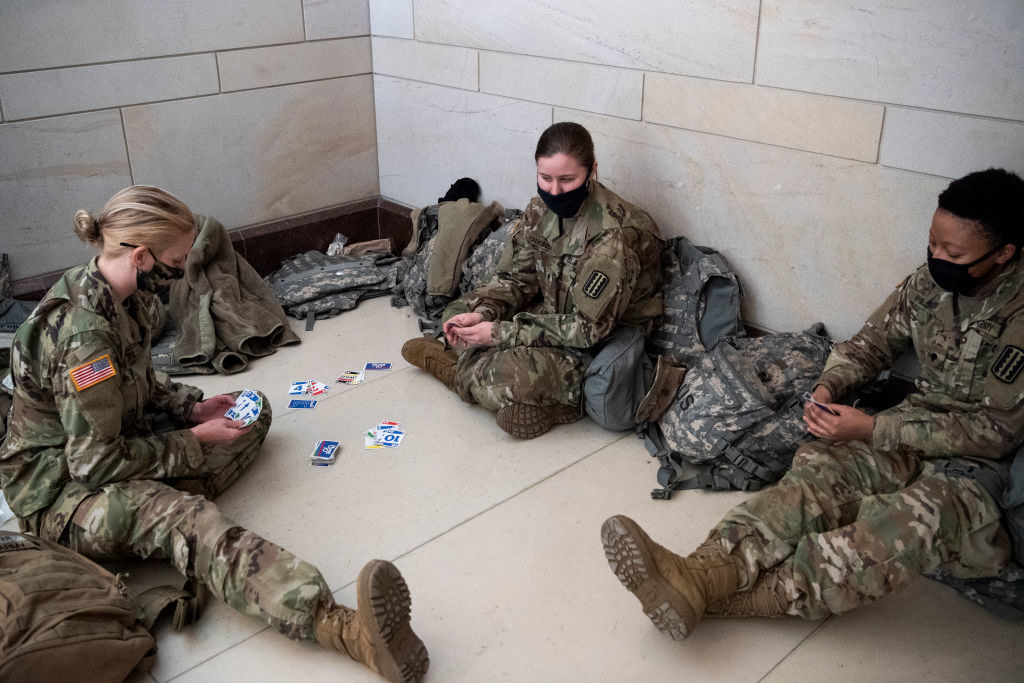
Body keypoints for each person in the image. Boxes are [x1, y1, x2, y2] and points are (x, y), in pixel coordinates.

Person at [0, 186, 428, 682]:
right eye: (178, 260)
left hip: (113, 440)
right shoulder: (83, 338)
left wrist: (192, 405)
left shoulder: (122, 292)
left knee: (253, 411)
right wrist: (193, 442)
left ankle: (156, 500)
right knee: (191, 519)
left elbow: (135, 380)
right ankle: (344, 630)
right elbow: (92, 464)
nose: (184, 269)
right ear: (141, 256)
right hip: (62, 493)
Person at [601, 168, 1024, 639]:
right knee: (816, 478)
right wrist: (828, 386)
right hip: (911, 427)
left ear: (1002, 253)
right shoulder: (928, 285)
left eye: (954, 253)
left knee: (902, 527)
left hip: (984, 471)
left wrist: (871, 430)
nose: (937, 258)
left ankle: (727, 595)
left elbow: (998, 433)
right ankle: (704, 569)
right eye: (932, 244)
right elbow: (870, 345)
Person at [402, 122, 666, 438]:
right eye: (545, 178)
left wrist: (499, 332)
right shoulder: (540, 209)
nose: (554, 191)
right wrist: (483, 314)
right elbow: (516, 279)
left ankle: (459, 372)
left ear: (592, 171)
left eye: (567, 180)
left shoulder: (614, 237)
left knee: (503, 375)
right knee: (458, 311)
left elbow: (588, 330)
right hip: (553, 312)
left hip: (600, 342)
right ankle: (492, 372)